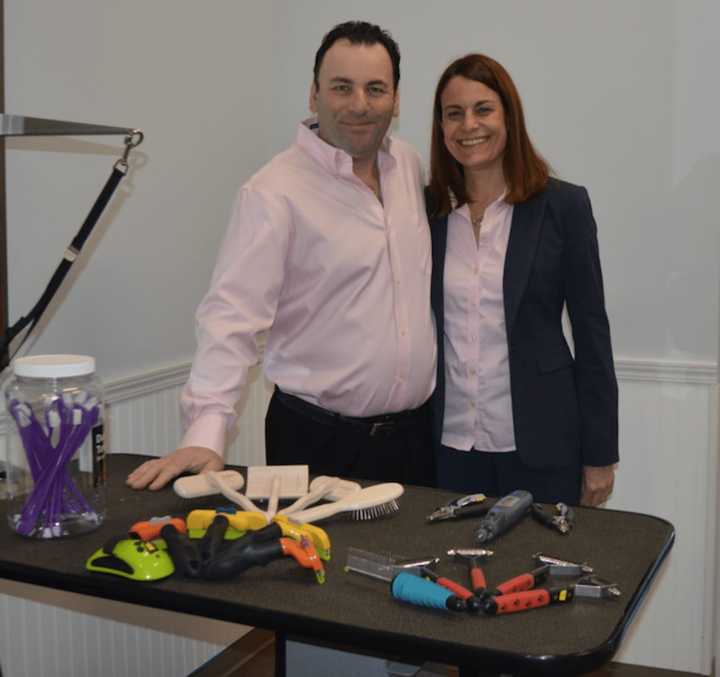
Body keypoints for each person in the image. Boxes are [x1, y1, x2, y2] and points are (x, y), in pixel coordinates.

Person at [127, 21, 436, 491]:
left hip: (416, 440)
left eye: (376, 89)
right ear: (314, 94)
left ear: (396, 100)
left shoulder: (408, 166)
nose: (360, 104)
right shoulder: (273, 192)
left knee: (417, 566)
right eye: (341, 87)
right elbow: (231, 318)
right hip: (318, 443)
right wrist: (206, 432)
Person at [427, 53, 618, 506]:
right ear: (441, 127)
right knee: (454, 573)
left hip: (542, 448)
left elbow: (592, 332)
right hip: (448, 450)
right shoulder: (427, 212)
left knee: (538, 573)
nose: (468, 124)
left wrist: (600, 454)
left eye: (483, 109)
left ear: (509, 116)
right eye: (454, 114)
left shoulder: (563, 207)